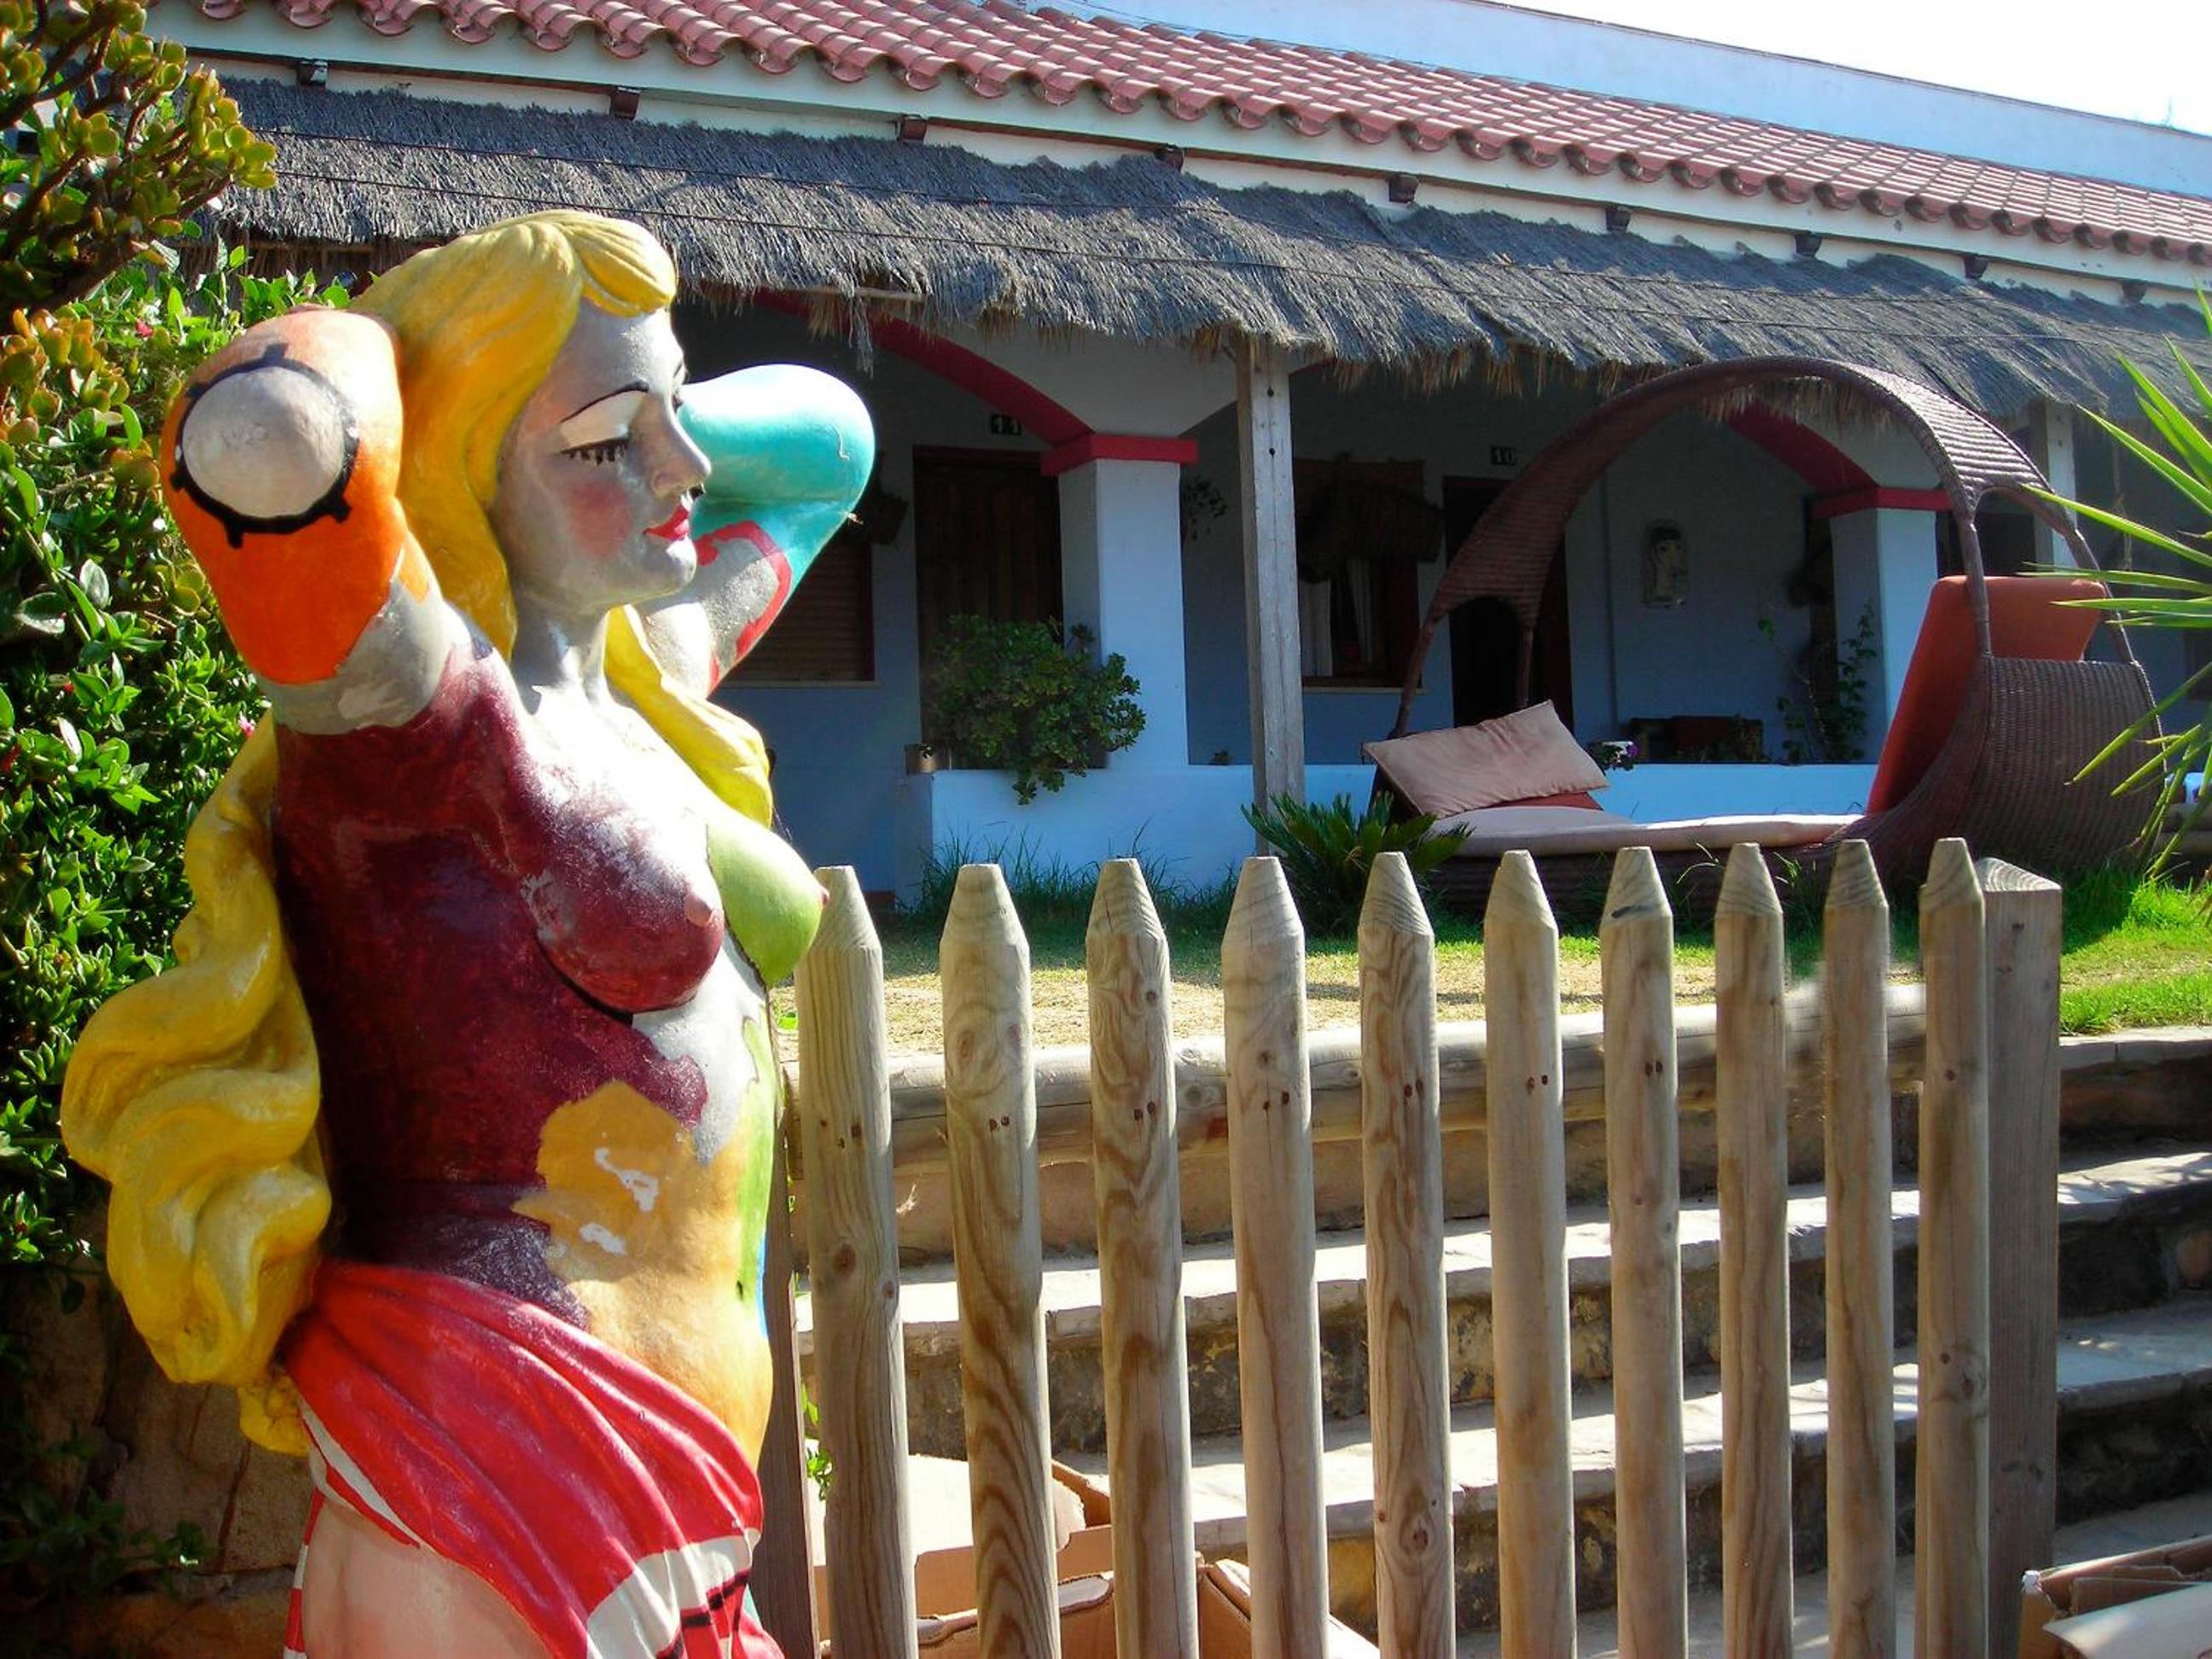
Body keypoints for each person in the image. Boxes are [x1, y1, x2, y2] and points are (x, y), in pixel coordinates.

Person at [61, 211, 873, 1656]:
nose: (683, 468)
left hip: (666, 1496)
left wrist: (609, 379)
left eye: (679, 417)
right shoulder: (409, 730)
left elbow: (832, 446)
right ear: (450, 462)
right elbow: (260, 433)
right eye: (605, 446)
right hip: (490, 1479)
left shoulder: (646, 678)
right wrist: (412, 349)